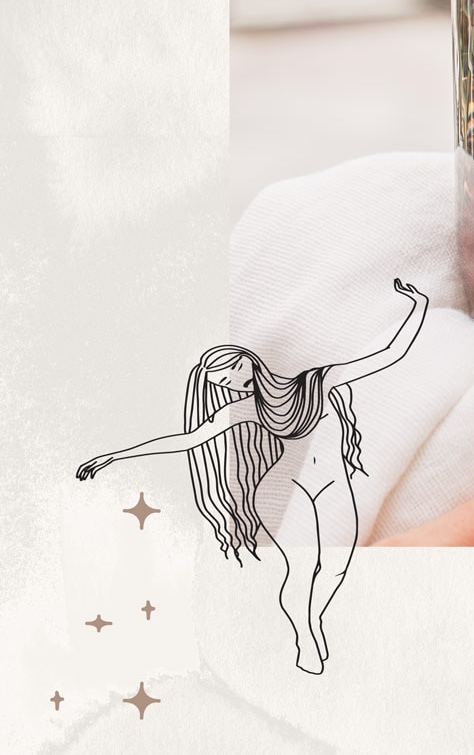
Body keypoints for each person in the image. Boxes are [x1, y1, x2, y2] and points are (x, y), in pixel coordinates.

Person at [77, 279, 429, 674]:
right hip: (287, 485)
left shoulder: (316, 380)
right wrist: (114, 456)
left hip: (331, 482)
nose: (232, 384)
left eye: (231, 372)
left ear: (247, 360)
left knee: (336, 567)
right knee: (301, 566)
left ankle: (311, 618)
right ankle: (303, 631)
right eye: (222, 383)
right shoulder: (246, 407)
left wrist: (419, 305)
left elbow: (387, 355)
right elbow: (188, 439)